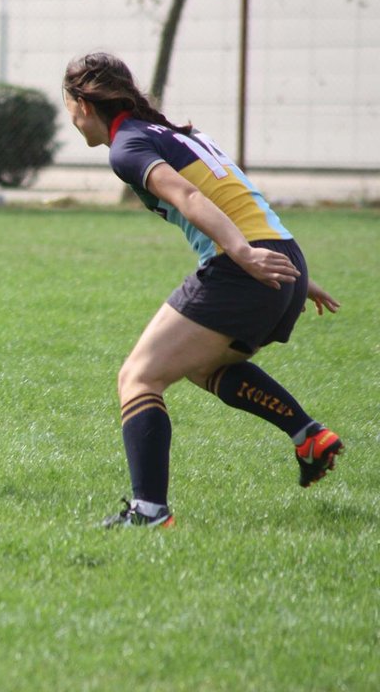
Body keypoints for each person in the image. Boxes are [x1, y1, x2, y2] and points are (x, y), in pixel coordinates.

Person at [61, 52, 343, 528]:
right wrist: (294, 272)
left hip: (245, 265)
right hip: (279, 257)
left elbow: (188, 197)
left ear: (84, 104)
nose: (69, 117)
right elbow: (243, 198)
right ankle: (307, 434)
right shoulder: (179, 134)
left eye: (67, 105)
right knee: (201, 365)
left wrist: (244, 253)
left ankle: (149, 512)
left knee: (138, 377)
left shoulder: (126, 146)